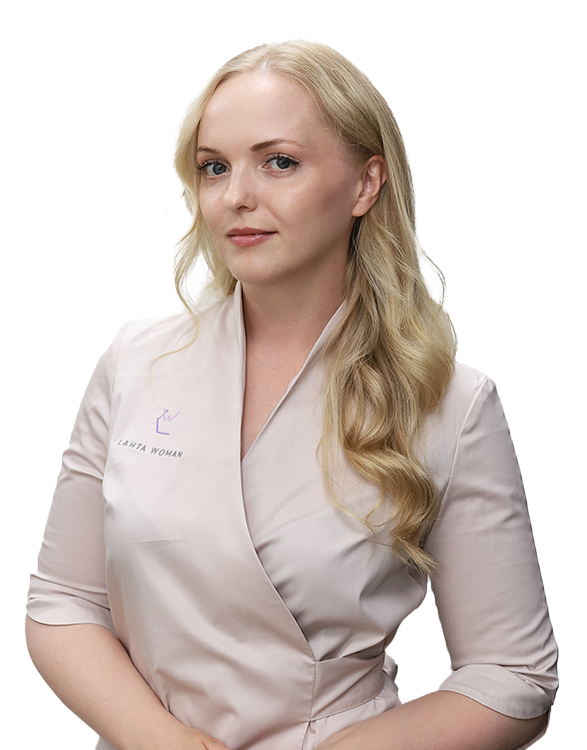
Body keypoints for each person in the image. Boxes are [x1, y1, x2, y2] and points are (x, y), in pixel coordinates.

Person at [25, 37, 558, 750]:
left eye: (279, 162)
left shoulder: (448, 404)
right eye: (214, 167)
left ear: (365, 185)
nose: (236, 197)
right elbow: (63, 601)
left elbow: (512, 675)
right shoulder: (134, 364)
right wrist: (160, 739)